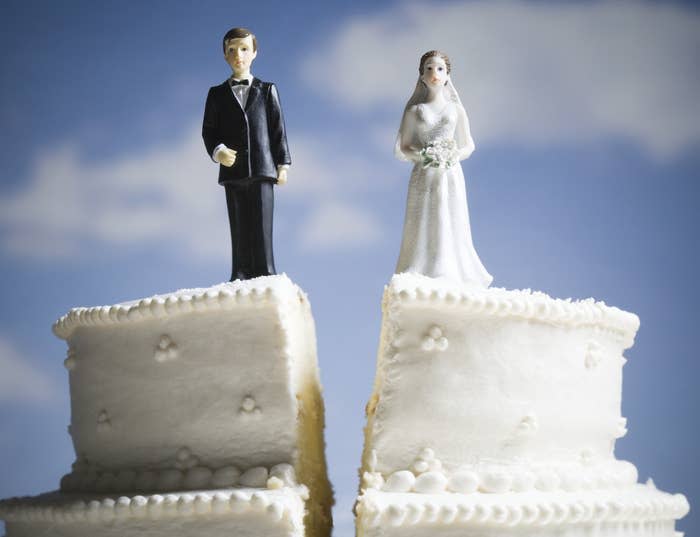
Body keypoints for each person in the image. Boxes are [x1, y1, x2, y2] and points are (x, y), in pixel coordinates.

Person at [394, 50, 492, 287]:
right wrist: (424, 156)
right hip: (424, 175)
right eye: (428, 68)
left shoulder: (455, 110)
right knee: (426, 217)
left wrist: (452, 156)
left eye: (439, 69)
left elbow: (468, 144)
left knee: (449, 216)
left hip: (449, 174)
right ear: (421, 76)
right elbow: (403, 147)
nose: (434, 74)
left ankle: (449, 268)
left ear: (447, 75)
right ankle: (422, 268)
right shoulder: (415, 111)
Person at [202, 27, 291, 281]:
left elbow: (278, 130)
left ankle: (266, 269)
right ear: (224, 55)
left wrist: (283, 164)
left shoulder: (267, 90)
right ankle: (239, 271)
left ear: (254, 53)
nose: (238, 55)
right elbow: (209, 131)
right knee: (239, 224)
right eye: (232, 50)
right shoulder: (216, 95)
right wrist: (218, 151)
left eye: (243, 49)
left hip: (263, 168)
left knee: (262, 224)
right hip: (233, 171)